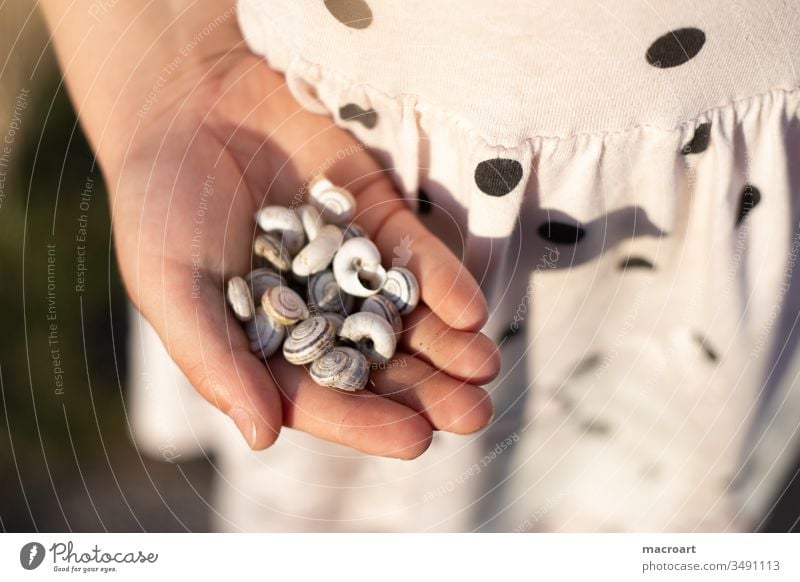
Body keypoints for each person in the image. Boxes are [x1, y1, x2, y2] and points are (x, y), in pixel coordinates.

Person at [41, 0, 800, 531]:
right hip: (309, 134)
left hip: (718, 202)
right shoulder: (307, 251)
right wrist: (166, 71)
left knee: (635, 479)